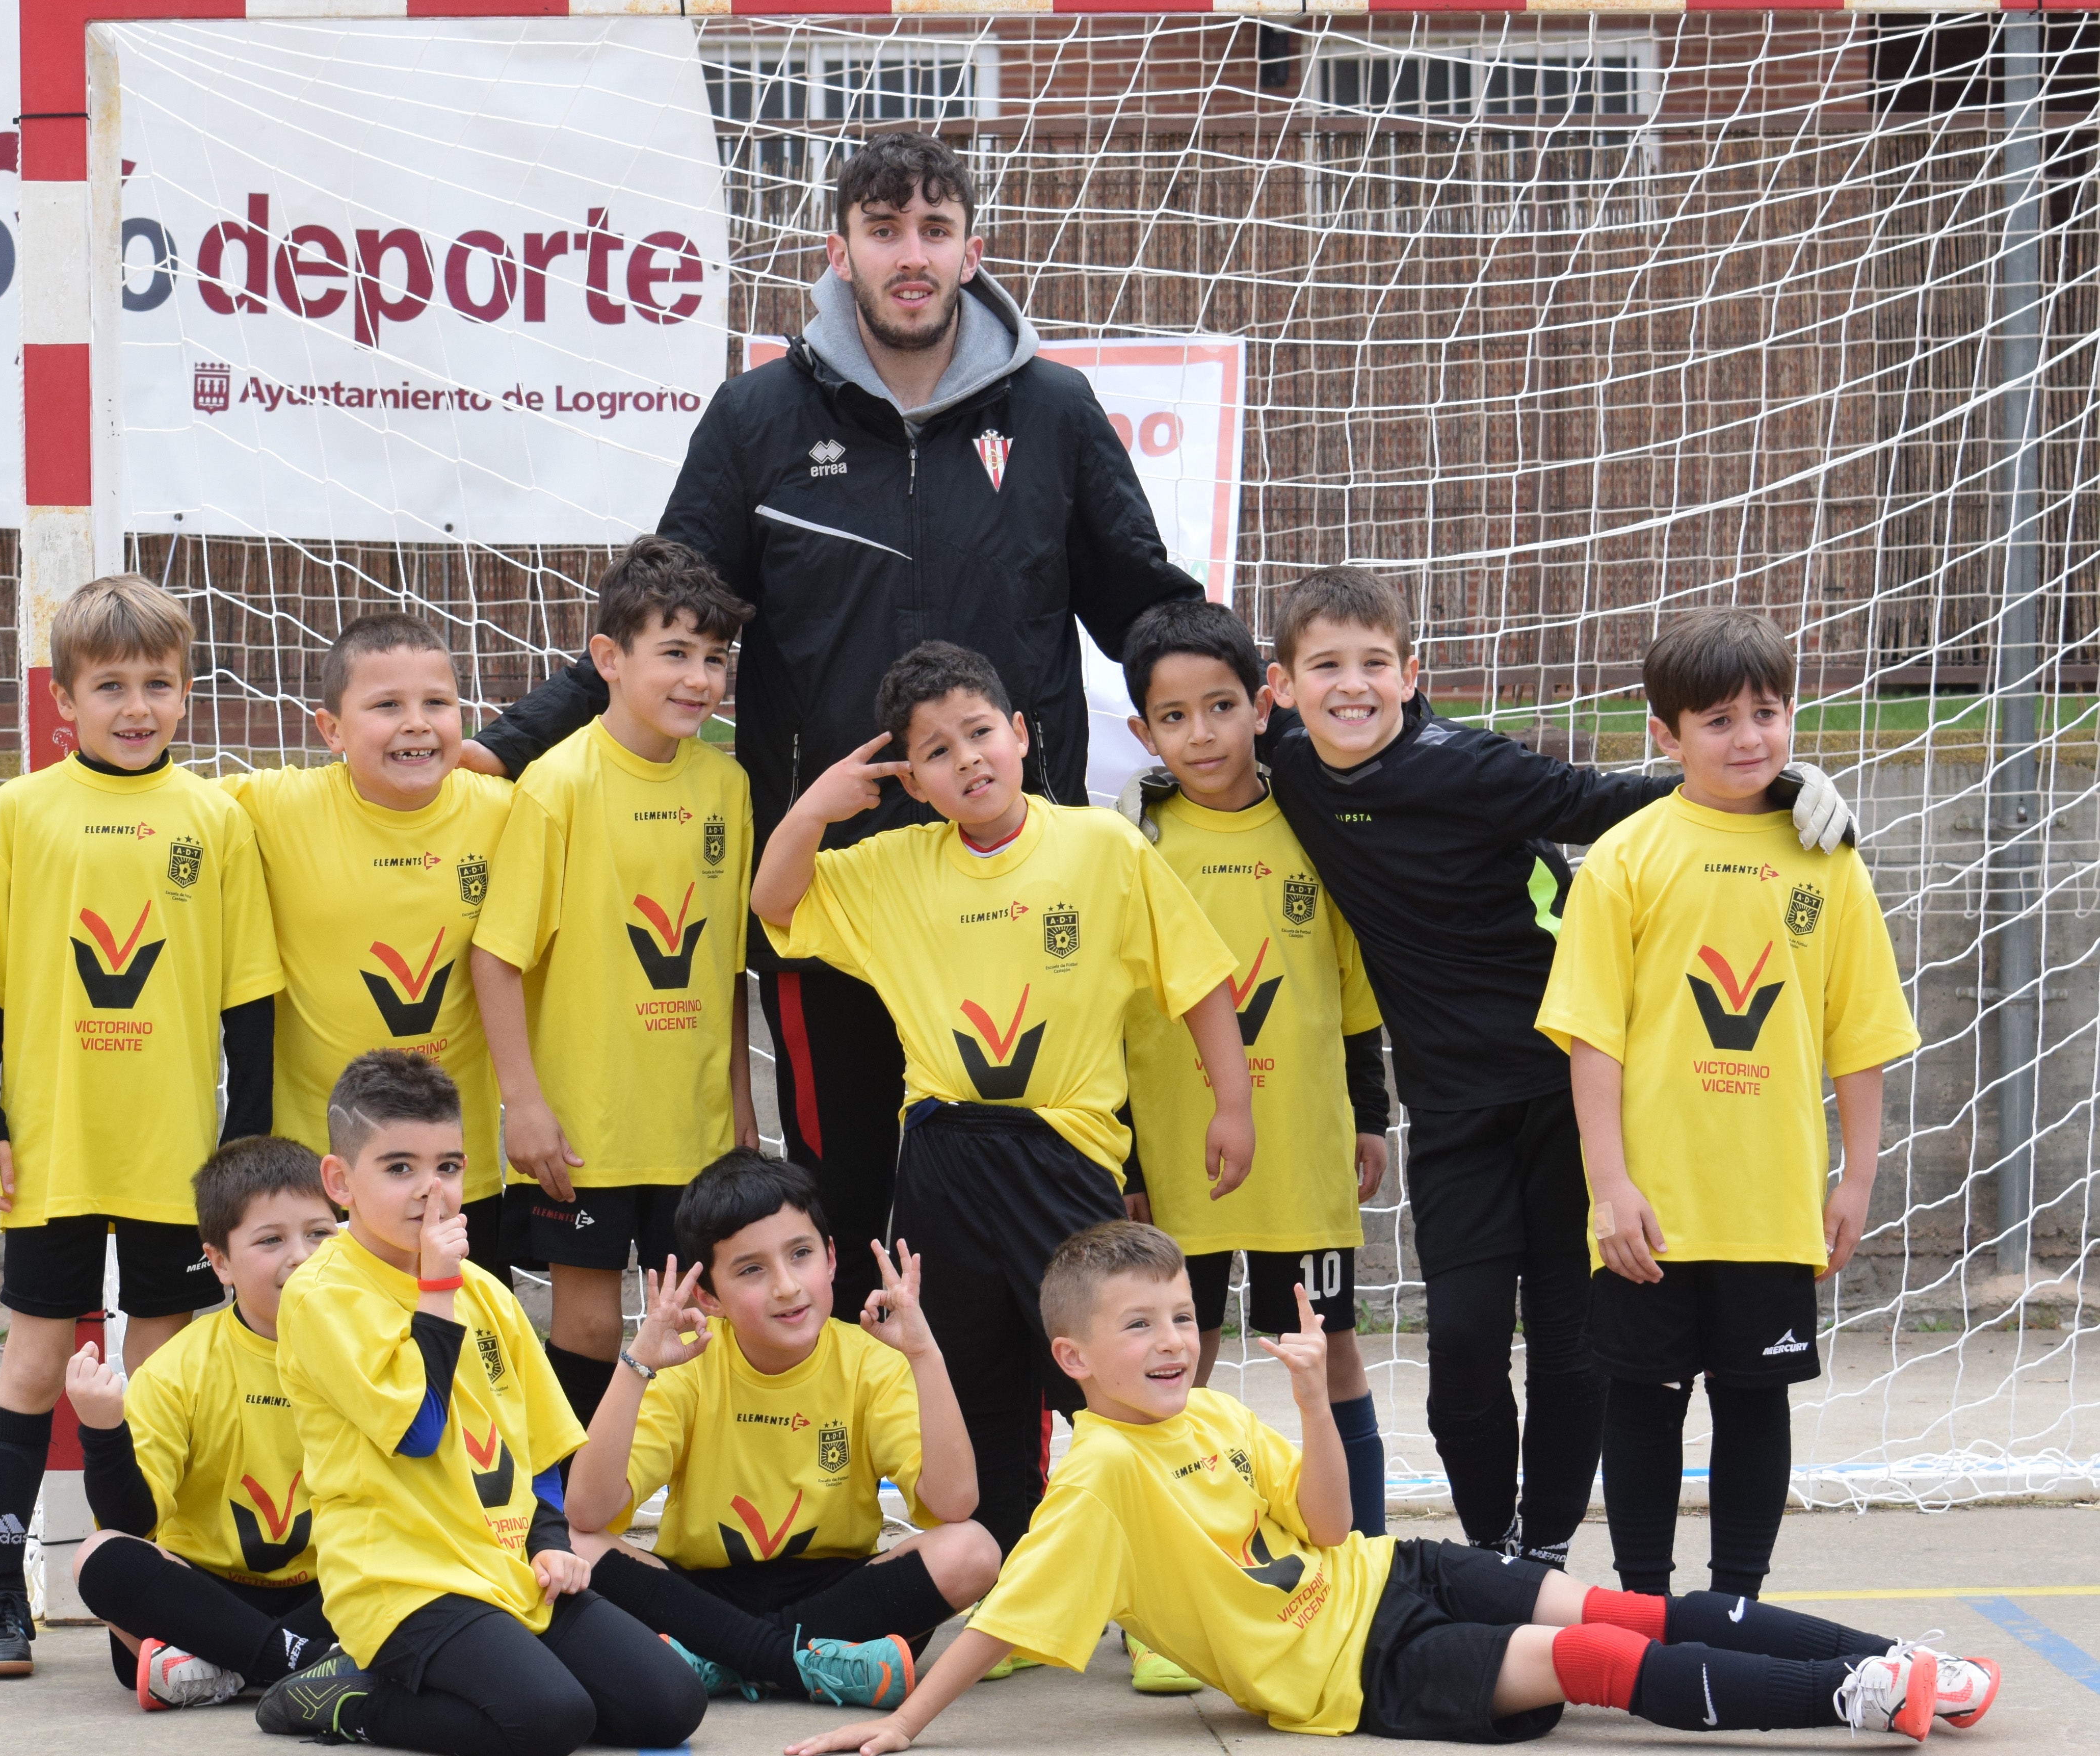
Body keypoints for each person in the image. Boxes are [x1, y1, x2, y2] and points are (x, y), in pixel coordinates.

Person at [465, 128, 1201, 1324]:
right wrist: (511, 740)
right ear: (838, 250)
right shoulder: (758, 415)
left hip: (1014, 880)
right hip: (834, 889)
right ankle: (864, 1452)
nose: (909, 256)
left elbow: (1139, 595)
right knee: (844, 1183)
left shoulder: (1055, 411)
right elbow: (667, 600)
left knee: (1040, 1185)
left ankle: (1032, 1470)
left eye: (931, 230)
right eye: (882, 231)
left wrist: (1235, 694)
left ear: (973, 249)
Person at [1127, 567, 1856, 1570]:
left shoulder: (1469, 768)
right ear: (1283, 692)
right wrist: (1152, 787)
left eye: (1374, 664)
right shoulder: (1286, 769)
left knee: (1568, 1343)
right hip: (1455, 1109)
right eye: (1327, 666)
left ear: (1409, 675)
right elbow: (1211, 757)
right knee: (1465, 1343)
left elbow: (1608, 800)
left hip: (1569, 1088)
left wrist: (1786, 785)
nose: (1353, 686)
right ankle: (1490, 1544)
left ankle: (1545, 1549)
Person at [785, 1221, 2000, 1756]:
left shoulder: (1209, 1413)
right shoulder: (1099, 1468)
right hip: (1349, 1675)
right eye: (1136, 1327)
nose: (1169, 1342)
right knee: (1597, 1672)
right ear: (1073, 1360)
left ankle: (1905, 1661)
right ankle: (1847, 1694)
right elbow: (1003, 1613)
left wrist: (1311, 1400)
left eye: (1177, 1318)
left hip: (1394, 1575)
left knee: (1628, 1611)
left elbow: (1324, 1527)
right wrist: (904, 1720)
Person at [752, 639, 1247, 1557]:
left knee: (1110, 1373)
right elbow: (774, 903)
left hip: (1063, 1152)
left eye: (980, 732)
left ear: (1019, 735)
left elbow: (1199, 978)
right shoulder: (894, 865)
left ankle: (1166, 1584)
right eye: (936, 750)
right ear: (913, 779)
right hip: (942, 1157)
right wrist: (815, 810)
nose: (967, 757)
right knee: (974, 1377)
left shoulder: (1098, 844)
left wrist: (1232, 1104)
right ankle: (1009, 1579)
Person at [0, 574, 280, 1679]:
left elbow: (250, 1004)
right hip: (55, 1148)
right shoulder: (19, 814)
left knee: (159, 1379)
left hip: (176, 1158)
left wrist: (248, 1156)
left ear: (186, 696)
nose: (137, 706)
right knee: (37, 1361)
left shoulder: (216, 821)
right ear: (65, 702)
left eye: (158, 685)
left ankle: (152, 1594)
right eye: (111, 686)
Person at [1537, 611, 1918, 1597]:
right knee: (1641, 1398)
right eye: (1718, 719)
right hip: (1652, 1206)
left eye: (1767, 711)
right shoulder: (1624, 858)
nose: (1749, 737)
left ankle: (1739, 1599)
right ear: (1665, 735)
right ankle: (1643, 1600)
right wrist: (1608, 1185)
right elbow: (1591, 1038)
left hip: (1770, 1199)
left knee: (1755, 1403)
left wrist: (1856, 1179)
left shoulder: (1825, 859)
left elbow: (1860, 1034)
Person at [260, 1049, 705, 1756]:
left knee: (670, 1704)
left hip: (503, 1570)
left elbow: (540, 1444)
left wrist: (552, 1544)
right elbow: (416, 1430)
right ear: (340, 1182)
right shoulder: (321, 1295)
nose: (429, 1190)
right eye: (399, 1167)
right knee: (549, 1720)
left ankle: (490, 1667)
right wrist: (435, 1292)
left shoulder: (486, 1292)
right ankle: (350, 1698)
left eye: (449, 1166)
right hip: (401, 1584)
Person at [1117, 601, 1391, 1552]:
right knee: (1171, 1360)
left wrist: (1371, 1115)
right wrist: (1126, 1153)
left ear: (1264, 704)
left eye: (1222, 705)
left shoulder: (1316, 829)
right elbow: (1112, 1011)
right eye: (1175, 716)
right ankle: (1174, 1560)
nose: (1202, 733)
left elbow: (1354, 992)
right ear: (1141, 733)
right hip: (1175, 1153)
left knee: (1331, 1350)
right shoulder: (1135, 846)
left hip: (1302, 1155)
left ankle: (1361, 1554)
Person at [469, 537, 757, 1428]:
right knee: (591, 1323)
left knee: (703, 1324)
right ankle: (568, 1519)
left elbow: (730, 961)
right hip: (585, 1125)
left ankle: (682, 1523)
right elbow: (496, 956)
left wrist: (742, 1100)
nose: (698, 678)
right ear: (608, 660)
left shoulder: (728, 784)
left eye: (714, 658)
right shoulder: (555, 785)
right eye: (673, 653)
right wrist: (525, 1103)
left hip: (696, 1121)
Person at [564, 1148, 1000, 1706]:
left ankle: (718, 1660)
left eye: (801, 1255)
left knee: (974, 1550)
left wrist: (926, 1357)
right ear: (709, 1297)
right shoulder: (688, 1363)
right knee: (573, 1545)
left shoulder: (871, 1361)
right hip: (703, 1590)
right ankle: (809, 1666)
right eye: (752, 1270)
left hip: (836, 1589)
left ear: (833, 1258)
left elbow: (953, 1504)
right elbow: (587, 1514)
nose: (788, 1286)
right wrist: (637, 1366)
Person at [220, 613, 516, 1282]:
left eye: (437, 704)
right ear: (332, 731)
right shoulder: (273, 807)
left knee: (454, 1350)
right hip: (318, 1174)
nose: (417, 723)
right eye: (387, 706)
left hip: (457, 1170)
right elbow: (164, 812)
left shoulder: (505, 813)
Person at [64, 1134, 343, 1710]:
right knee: (101, 1557)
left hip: (334, 1590)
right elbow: (130, 1522)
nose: (303, 1256)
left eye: (321, 1233)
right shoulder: (179, 1368)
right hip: (207, 1599)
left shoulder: (377, 1350)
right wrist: (101, 1429)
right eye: (271, 1240)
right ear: (219, 1263)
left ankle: (230, 1669)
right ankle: (302, 1664)